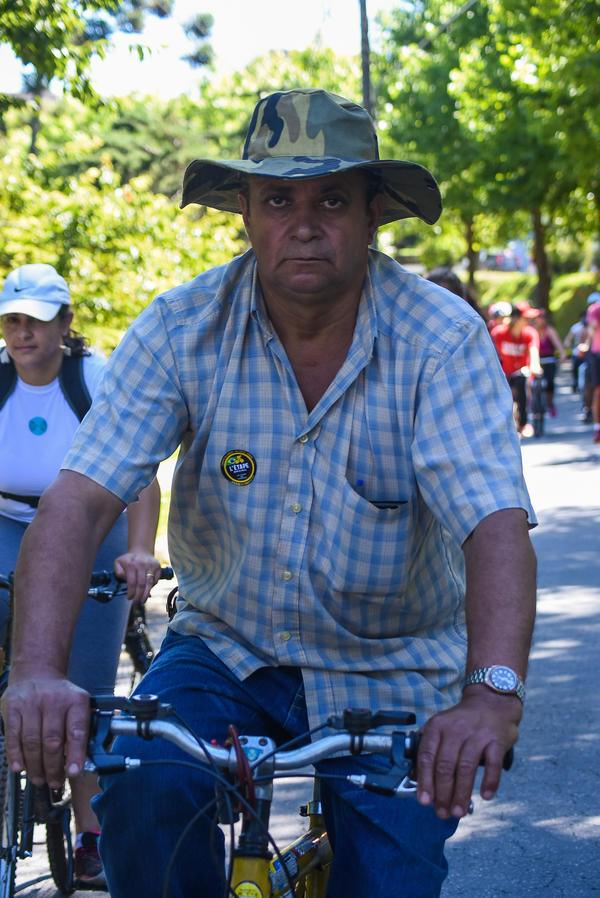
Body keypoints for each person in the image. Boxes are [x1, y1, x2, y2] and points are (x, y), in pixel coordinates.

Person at [1, 89, 537, 898]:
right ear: (245, 213)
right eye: (278, 199)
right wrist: (36, 671)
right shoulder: (183, 327)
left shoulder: (441, 337)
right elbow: (78, 502)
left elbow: (495, 523)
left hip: (396, 661)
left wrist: (492, 695)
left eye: (332, 198)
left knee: (391, 878)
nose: (306, 221)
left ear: (372, 214)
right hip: (225, 647)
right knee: (141, 789)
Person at [0, 262, 162, 887]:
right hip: (10, 522)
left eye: (36, 321)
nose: (22, 334)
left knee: (87, 688)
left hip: (92, 530)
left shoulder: (93, 379)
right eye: (12, 321)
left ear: (65, 325)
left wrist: (141, 549)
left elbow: (141, 471)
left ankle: (94, 832)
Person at [490, 303, 542, 437]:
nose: (530, 321)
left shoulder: (530, 333)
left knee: (522, 386)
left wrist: (535, 366)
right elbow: (491, 355)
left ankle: (524, 423)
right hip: (502, 373)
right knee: (505, 397)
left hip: (520, 372)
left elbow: (534, 352)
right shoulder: (499, 333)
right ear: (516, 318)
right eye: (526, 318)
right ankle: (508, 425)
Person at [525, 308, 566, 416]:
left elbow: (558, 344)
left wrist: (562, 354)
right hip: (534, 360)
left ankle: (550, 403)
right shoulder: (530, 331)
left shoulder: (549, 330)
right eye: (539, 317)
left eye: (543, 317)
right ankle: (531, 403)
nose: (541, 319)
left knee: (550, 384)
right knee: (529, 382)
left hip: (548, 360)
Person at [584, 292, 600, 442]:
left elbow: (592, 328)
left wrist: (586, 343)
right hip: (597, 353)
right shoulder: (595, 309)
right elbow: (592, 328)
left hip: (596, 353)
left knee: (597, 391)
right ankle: (597, 427)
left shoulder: (594, 309)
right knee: (597, 391)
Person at [564, 309, 590, 395]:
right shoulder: (576, 327)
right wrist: (571, 347)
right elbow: (568, 340)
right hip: (578, 351)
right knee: (575, 366)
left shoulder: (592, 326)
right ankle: (575, 381)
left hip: (589, 352)